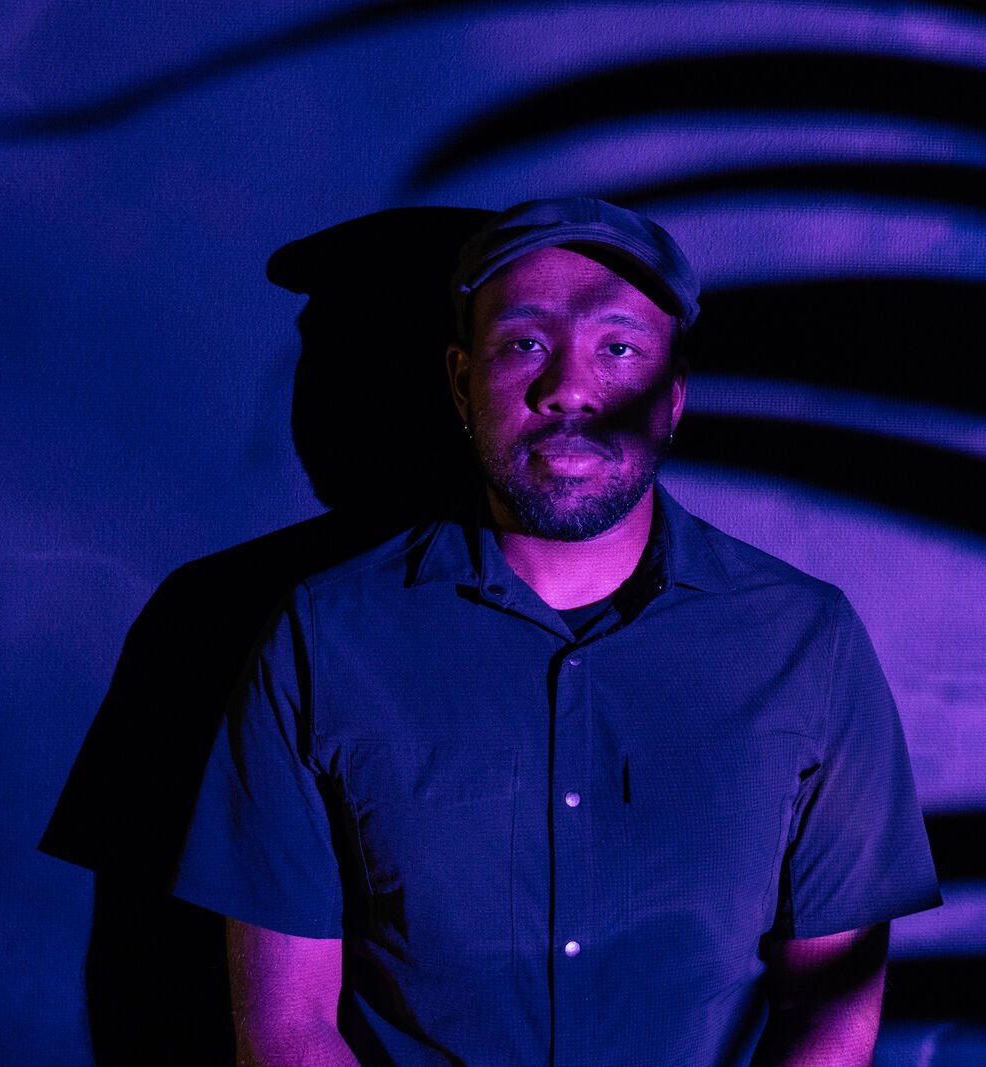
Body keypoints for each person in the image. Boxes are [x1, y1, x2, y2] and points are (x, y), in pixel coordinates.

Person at [172, 197, 941, 1065]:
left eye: (618, 348)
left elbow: (831, 1013)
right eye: (524, 343)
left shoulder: (809, 644)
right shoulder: (320, 639)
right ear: (461, 382)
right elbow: (286, 1029)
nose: (568, 387)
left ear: (673, 396)